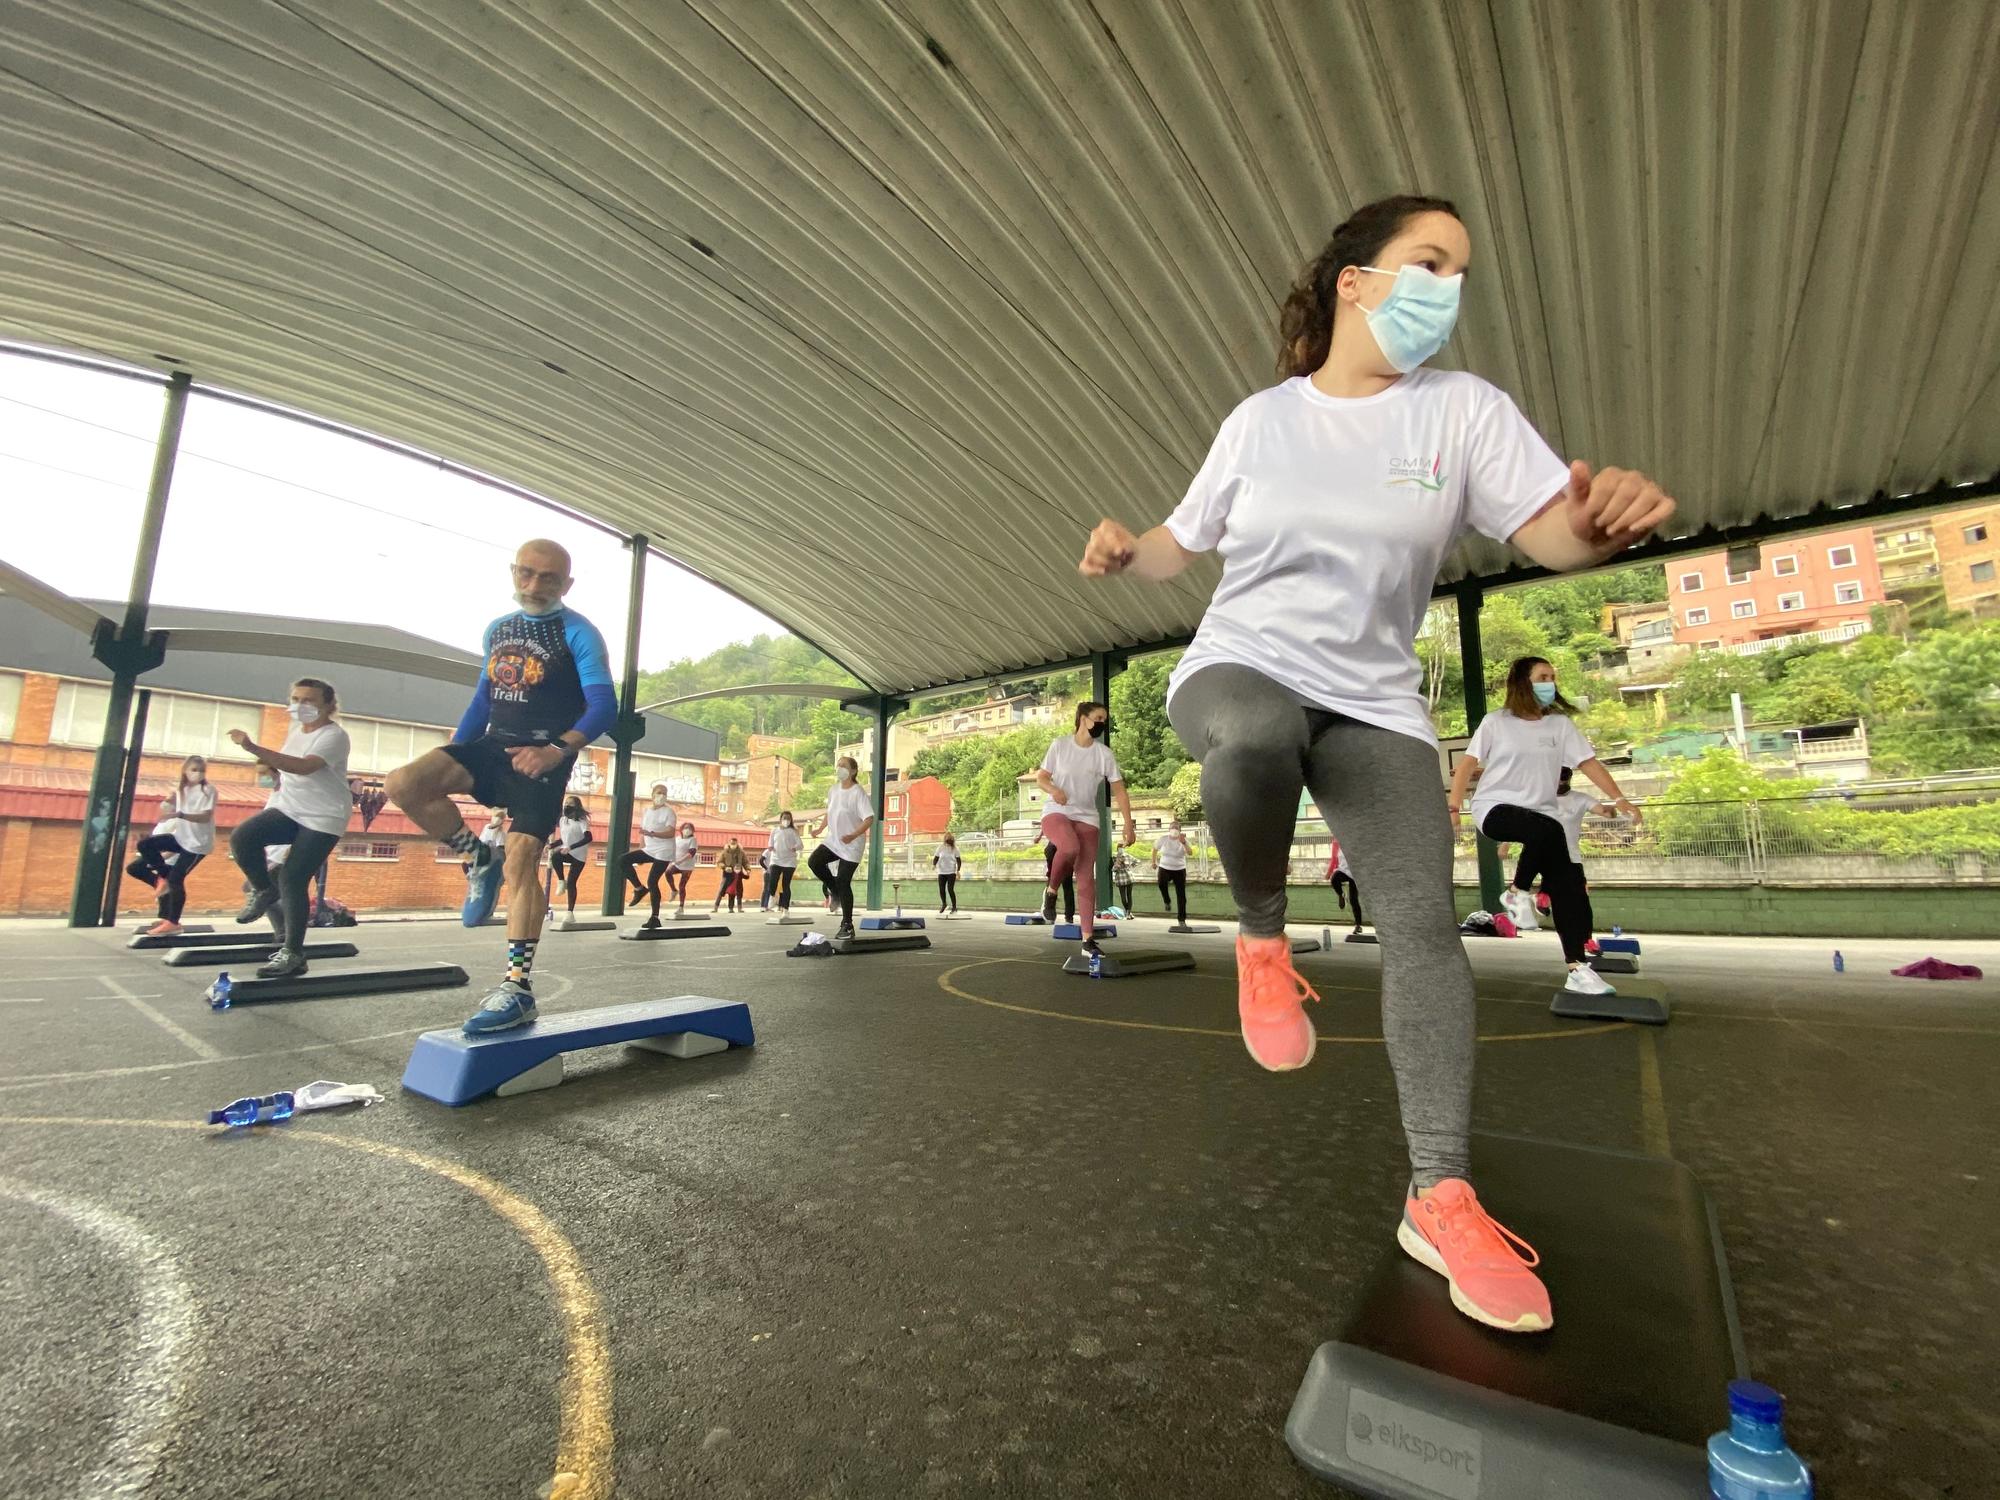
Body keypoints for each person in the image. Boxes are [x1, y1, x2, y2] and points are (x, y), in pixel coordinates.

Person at [1076, 193, 1675, 1334]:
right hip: (1241, 666)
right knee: (1251, 738)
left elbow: (1548, 528)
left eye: (1458, 271)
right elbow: (1178, 540)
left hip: (1373, 706)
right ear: (1353, 281)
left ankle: (1438, 1191)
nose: (1446, 288)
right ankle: (1260, 931)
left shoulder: (1461, 412)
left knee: (1420, 927)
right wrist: (1124, 550)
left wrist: (1601, 525)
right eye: (1426, 262)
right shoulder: (1263, 420)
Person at [384, 539, 616, 1032]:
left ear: (565, 585)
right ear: (513, 572)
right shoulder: (498, 630)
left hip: (543, 759)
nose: (534, 586)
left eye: (548, 579)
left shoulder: (579, 634)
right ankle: (475, 857)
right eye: (526, 574)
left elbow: (603, 707)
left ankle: (516, 986)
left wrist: (556, 749)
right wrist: (452, 754)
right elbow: (482, 701)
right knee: (404, 782)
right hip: (493, 748)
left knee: (522, 860)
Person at [1448, 660, 1642, 993]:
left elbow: (1589, 763)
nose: (1549, 683)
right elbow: (1466, 766)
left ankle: (1577, 969)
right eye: (1542, 678)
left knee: (1569, 893)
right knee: (1548, 830)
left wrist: (1619, 797)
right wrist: (1454, 808)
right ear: (1523, 683)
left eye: (1552, 678)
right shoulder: (1495, 723)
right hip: (1495, 808)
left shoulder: (1560, 726)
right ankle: (1515, 893)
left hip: (1542, 818)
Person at [228, 679, 353, 976]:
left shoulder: (334, 736)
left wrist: (252, 747)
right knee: (243, 837)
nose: (300, 706)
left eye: (309, 701)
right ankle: (262, 890)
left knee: (293, 878)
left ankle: (293, 953)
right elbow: (288, 770)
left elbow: (304, 766)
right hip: (290, 808)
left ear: (327, 706)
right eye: (295, 699)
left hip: (324, 816)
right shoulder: (295, 731)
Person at [1035, 702, 1136, 956]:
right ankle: (1051, 891)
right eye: (1098, 718)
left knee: (1085, 878)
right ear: (1083, 719)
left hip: (1087, 816)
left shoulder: (1103, 754)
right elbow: (1041, 777)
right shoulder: (1060, 745)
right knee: (1069, 847)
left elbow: (1120, 791)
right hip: (1057, 811)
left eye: (1105, 719)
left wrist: (1127, 823)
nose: (1102, 723)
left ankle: (1087, 940)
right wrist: (1054, 790)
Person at [127, 753, 217, 936]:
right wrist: (168, 804)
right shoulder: (181, 790)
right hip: (182, 838)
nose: (198, 774)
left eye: (201, 771)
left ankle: (173, 923)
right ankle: (162, 879)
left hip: (198, 845)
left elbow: (206, 816)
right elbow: (167, 806)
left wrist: (179, 815)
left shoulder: (209, 791)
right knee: (145, 845)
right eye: (194, 770)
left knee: (176, 879)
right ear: (185, 771)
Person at [806, 755, 873, 940]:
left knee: (844, 880)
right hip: (834, 841)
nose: (839, 768)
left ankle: (847, 925)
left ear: (852, 771)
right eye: (838, 765)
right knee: (814, 861)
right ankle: (833, 889)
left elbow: (869, 818)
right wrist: (820, 828)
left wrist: (854, 834)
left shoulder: (858, 792)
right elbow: (830, 812)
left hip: (852, 844)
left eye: (844, 766)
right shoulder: (833, 790)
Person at [623, 784, 677, 925]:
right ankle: (639, 889)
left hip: (664, 850)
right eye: (659, 793)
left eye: (664, 793)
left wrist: (653, 834)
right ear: (652, 795)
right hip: (650, 849)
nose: (662, 796)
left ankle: (655, 917)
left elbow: (671, 832)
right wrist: (641, 849)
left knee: (652, 881)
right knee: (623, 860)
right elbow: (643, 832)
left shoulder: (669, 812)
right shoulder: (647, 811)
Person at [549, 795, 592, 919]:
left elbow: (588, 838)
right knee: (556, 856)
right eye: (566, 803)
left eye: (570, 804)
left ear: (576, 807)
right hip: (567, 851)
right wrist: (552, 845)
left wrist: (571, 847)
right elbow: (564, 838)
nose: (567, 806)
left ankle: (570, 912)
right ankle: (561, 881)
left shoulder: (582, 820)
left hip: (579, 855)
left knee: (572, 881)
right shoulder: (563, 820)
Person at [1153, 823, 1190, 924]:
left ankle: (1181, 919)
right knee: (1161, 883)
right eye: (1172, 827)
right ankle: (1167, 901)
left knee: (1181, 895)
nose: (1174, 829)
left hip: (1180, 869)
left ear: (1180, 830)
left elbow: (1190, 852)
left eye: (1176, 828)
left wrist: (1184, 843)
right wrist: (1153, 861)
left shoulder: (1184, 840)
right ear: (1169, 829)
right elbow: (1155, 849)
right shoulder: (1163, 839)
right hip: (1165, 867)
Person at [1327, 838, 1364, 934]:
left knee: (1353, 899)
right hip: (1344, 870)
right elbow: (1334, 859)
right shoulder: (1336, 842)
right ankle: (1341, 895)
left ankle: (1358, 925)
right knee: (1334, 878)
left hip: (1356, 873)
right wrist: (1329, 872)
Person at [768, 810, 803, 913]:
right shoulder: (775, 830)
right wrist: (770, 846)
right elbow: (770, 841)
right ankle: (772, 896)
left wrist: (795, 847)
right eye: (784, 818)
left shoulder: (793, 831)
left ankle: (785, 908)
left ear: (791, 820)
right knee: (773, 880)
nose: (786, 820)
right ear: (780, 819)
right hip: (776, 859)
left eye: (788, 818)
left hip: (789, 861)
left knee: (785, 884)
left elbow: (800, 845)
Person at [712, 837, 749, 914]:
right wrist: (725, 867)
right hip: (727, 874)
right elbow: (719, 862)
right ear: (729, 843)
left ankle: (736, 908)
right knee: (722, 890)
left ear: (737, 843)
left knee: (738, 891)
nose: (733, 844)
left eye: (734, 843)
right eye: (732, 843)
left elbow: (745, 862)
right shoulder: (725, 852)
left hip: (738, 874)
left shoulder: (741, 852)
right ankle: (715, 907)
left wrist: (748, 869)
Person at [668, 820, 699, 912]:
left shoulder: (693, 840)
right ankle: (673, 890)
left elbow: (691, 853)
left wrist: (680, 860)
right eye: (685, 828)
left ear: (692, 831)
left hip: (687, 866)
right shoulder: (677, 839)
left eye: (689, 829)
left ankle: (681, 907)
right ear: (681, 829)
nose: (687, 830)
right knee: (668, 872)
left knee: (682, 885)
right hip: (676, 864)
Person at [1042, 840, 1076, 922]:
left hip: (1065, 857)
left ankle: (1068, 915)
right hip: (1059, 854)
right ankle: (1068, 916)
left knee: (1065, 884)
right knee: (1065, 885)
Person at [933, 833, 963, 915]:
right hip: (941, 872)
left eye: (950, 839)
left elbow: (958, 860)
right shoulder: (940, 847)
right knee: (941, 889)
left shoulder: (955, 849)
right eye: (947, 838)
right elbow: (936, 857)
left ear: (952, 840)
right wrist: (934, 865)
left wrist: (958, 871)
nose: (948, 840)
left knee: (950, 889)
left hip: (951, 872)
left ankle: (954, 907)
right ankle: (944, 904)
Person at [1109, 846, 1136, 916]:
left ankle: (1128, 912)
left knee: (1129, 895)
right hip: (1120, 879)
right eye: (1119, 848)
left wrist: (1130, 866)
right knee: (1123, 897)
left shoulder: (1127, 855)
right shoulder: (1114, 857)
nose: (1121, 849)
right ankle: (1128, 912)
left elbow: (1136, 861)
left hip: (1129, 877)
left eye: (1122, 848)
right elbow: (1113, 869)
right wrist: (1117, 864)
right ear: (1117, 849)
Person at [755, 842, 775, 911]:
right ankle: (763, 906)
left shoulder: (776, 852)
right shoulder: (767, 851)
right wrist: (766, 868)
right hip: (767, 873)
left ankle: (766, 906)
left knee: (770, 889)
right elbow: (761, 861)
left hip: (773, 872)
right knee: (766, 889)